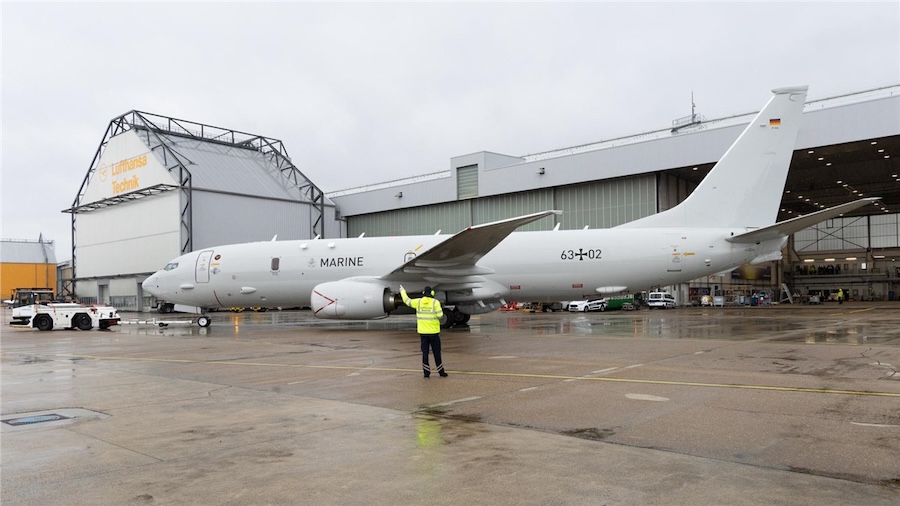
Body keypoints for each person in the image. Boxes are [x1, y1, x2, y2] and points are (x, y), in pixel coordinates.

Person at [400, 285, 447, 378]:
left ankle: (426, 372)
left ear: (423, 293)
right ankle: (441, 371)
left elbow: (407, 301)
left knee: (425, 352)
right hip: (434, 332)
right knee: (436, 352)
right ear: (432, 293)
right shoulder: (435, 303)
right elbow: (440, 315)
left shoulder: (418, 302)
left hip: (423, 333)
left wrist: (402, 291)